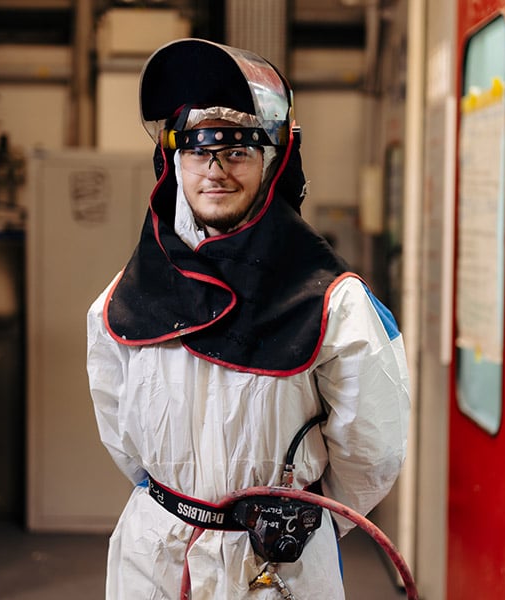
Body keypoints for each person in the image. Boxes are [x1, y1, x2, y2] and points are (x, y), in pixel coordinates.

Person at [86, 38, 410, 600]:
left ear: (274, 158)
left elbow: (372, 452)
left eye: (236, 150)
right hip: (153, 558)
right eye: (195, 149)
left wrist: (302, 521)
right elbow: (123, 439)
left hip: (277, 565)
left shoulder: (334, 303)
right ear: (171, 162)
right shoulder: (122, 301)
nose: (214, 171)